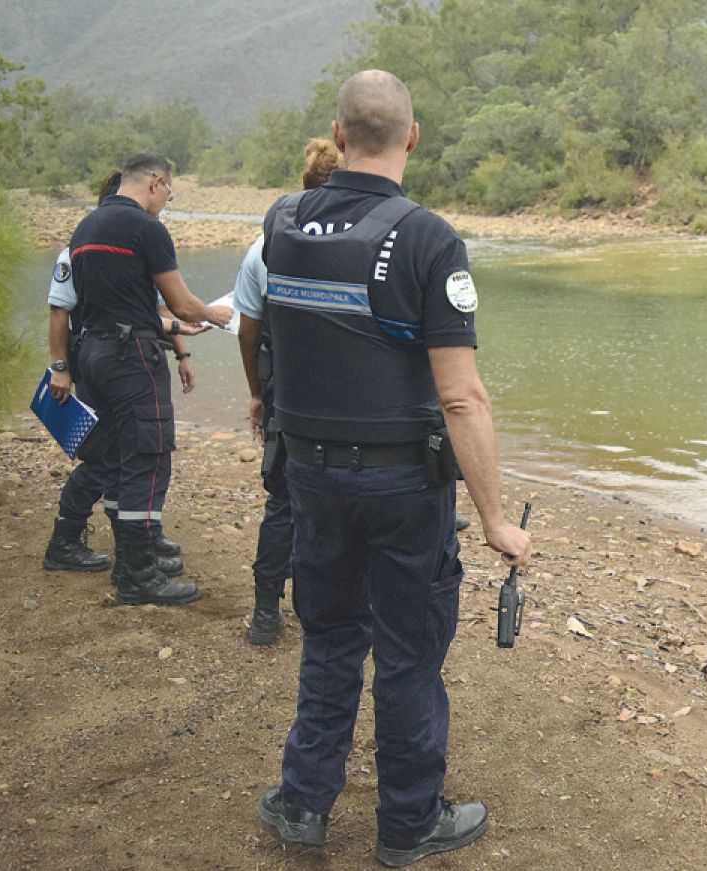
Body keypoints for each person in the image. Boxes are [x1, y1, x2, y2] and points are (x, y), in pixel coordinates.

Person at [254, 70, 532, 867]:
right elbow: (463, 397)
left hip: (310, 477)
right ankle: (408, 822)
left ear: (338, 135)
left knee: (330, 635)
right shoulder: (427, 239)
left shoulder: (282, 221)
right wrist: (495, 518)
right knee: (409, 652)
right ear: (413, 137)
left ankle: (304, 801)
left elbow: (275, 335)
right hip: (403, 487)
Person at [50, 153, 233, 606]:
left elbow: (113, 304)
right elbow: (181, 303)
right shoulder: (147, 229)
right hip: (131, 357)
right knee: (147, 457)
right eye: (169, 192)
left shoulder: (85, 228)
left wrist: (175, 335)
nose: (167, 201)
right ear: (155, 182)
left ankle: (135, 557)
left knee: (114, 455)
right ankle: (137, 575)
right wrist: (217, 314)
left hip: (92, 354)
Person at [233, 139, 344, 645]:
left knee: (283, 500)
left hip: (288, 393)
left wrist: (257, 392)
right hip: (350, 396)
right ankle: (333, 607)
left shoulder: (267, 244)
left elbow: (248, 330)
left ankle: (265, 611)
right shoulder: (366, 239)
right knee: (346, 500)